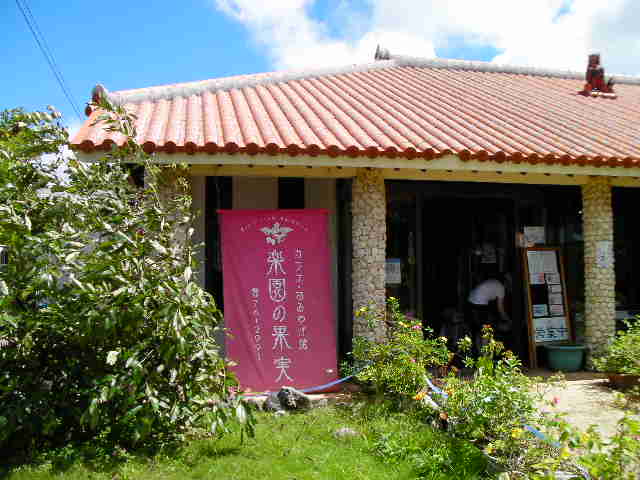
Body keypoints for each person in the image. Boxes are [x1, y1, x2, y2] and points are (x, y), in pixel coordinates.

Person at [465, 273, 512, 355]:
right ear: (507, 284)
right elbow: (500, 309)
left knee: (478, 330)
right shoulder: (501, 289)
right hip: (479, 303)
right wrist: (508, 320)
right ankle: (485, 356)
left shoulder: (495, 282)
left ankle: (479, 353)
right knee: (486, 331)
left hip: (470, 300)